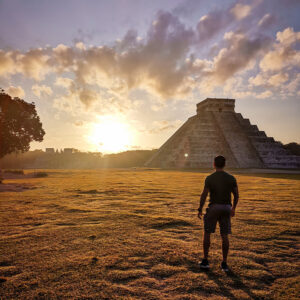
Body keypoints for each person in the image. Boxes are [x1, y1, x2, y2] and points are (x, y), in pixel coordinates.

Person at [197, 155, 239, 272]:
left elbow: (204, 194)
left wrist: (200, 208)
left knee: (207, 232)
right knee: (224, 234)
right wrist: (233, 208)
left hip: (214, 207)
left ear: (214, 164)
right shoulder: (231, 178)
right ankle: (224, 263)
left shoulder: (210, 178)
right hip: (226, 207)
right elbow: (236, 195)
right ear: (224, 165)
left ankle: (205, 261)